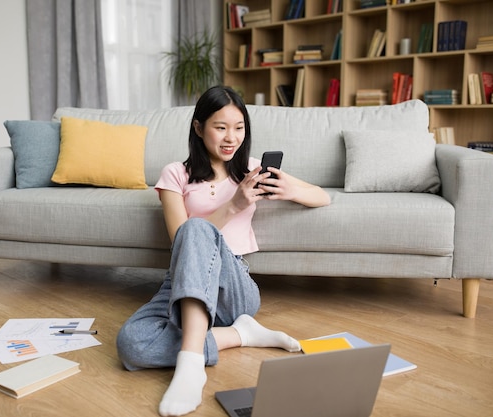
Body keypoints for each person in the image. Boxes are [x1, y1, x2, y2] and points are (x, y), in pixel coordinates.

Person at [116, 85, 331, 417]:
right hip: (180, 282)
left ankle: (190, 366)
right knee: (131, 346)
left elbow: (323, 196)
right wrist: (233, 205)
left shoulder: (253, 170)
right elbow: (180, 242)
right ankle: (239, 334)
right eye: (221, 127)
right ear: (199, 128)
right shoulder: (176, 174)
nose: (232, 138)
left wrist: (290, 189)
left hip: (233, 287)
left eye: (239, 127)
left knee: (196, 227)